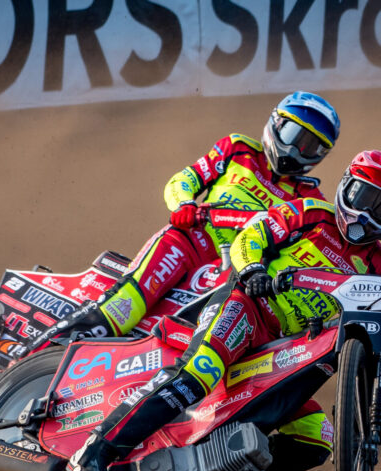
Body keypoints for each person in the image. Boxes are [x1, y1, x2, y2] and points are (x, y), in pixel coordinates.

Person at [68, 150, 381, 471]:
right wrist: (252, 270)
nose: (367, 214)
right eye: (363, 197)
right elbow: (252, 236)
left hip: (285, 349)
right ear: (345, 187)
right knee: (200, 372)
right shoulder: (309, 212)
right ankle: (95, 454)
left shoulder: (380, 260)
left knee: (317, 436)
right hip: (246, 307)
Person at [17, 92, 341, 358]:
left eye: (310, 146)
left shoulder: (310, 200)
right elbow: (183, 181)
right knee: (122, 310)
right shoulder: (238, 149)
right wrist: (183, 205)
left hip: (234, 273)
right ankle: (26, 360)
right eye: (294, 136)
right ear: (276, 124)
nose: (297, 151)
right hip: (188, 243)